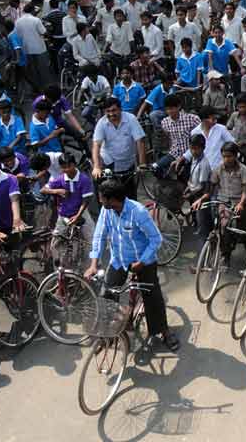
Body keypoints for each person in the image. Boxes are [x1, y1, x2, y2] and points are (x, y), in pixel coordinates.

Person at [85, 178, 180, 352]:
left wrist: (142, 261)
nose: (99, 201)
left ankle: (164, 332)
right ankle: (107, 334)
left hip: (143, 261)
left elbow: (156, 239)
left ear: (112, 199)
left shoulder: (138, 212)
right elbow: (99, 235)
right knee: (106, 295)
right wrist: (94, 263)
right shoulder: (107, 211)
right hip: (119, 260)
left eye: (101, 198)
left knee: (152, 297)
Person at [92, 97, 147, 199]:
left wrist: (142, 163)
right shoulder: (101, 123)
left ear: (120, 109)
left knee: (130, 197)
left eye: (114, 110)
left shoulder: (131, 119)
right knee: (106, 194)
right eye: (108, 111)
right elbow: (96, 145)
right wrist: (96, 167)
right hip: (109, 162)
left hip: (127, 163)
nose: (111, 114)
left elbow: (140, 141)